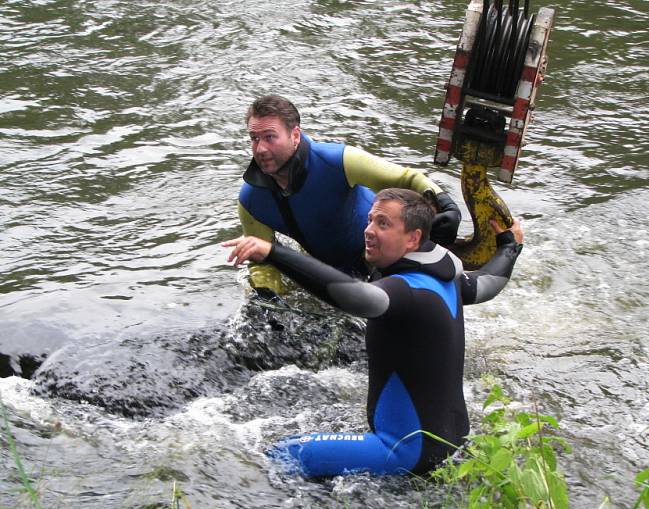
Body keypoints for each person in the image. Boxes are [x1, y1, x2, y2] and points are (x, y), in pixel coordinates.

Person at [224, 188, 523, 477]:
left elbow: (358, 298)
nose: (368, 229)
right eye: (369, 220)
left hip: (403, 451)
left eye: (383, 223)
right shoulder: (447, 280)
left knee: (282, 455)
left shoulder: (405, 291)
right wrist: (510, 246)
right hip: (452, 440)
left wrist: (274, 253)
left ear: (413, 238)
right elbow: (490, 282)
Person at [238, 94, 462, 300]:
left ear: (295, 135)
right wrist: (268, 296)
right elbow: (262, 261)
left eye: (269, 137)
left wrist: (446, 204)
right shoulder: (251, 200)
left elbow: (407, 178)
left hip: (385, 260)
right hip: (332, 275)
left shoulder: (337, 161)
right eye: (254, 139)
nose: (260, 149)